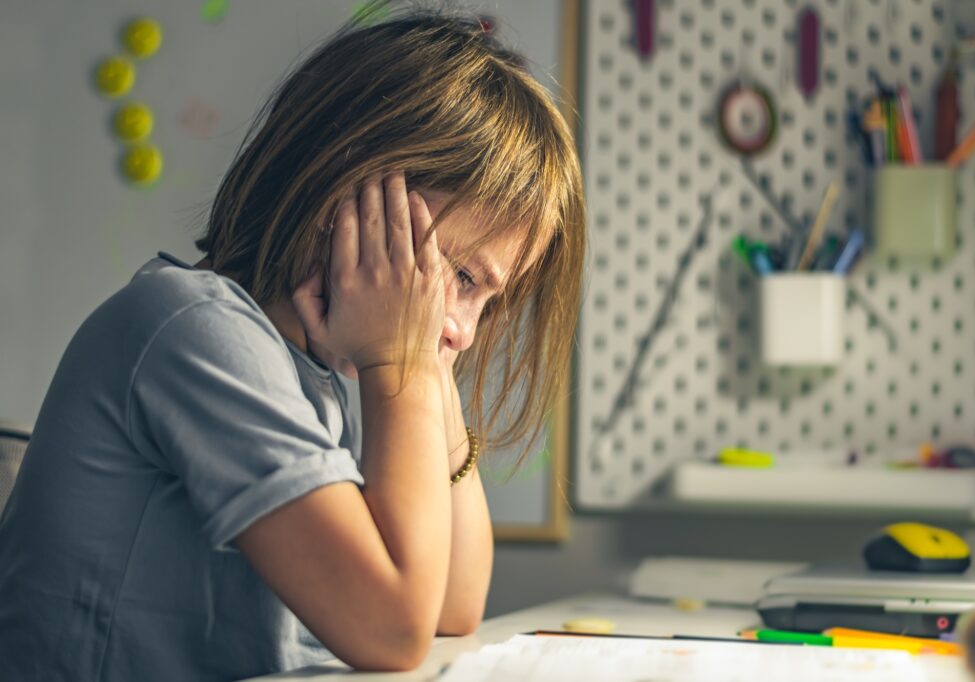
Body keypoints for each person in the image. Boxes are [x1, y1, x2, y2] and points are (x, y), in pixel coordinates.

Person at [0, 5, 585, 681]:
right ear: (354, 200)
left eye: (490, 299)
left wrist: (425, 361)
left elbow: (454, 604)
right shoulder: (194, 330)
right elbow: (393, 627)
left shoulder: (320, 372)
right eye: (459, 276)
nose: (466, 328)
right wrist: (405, 366)